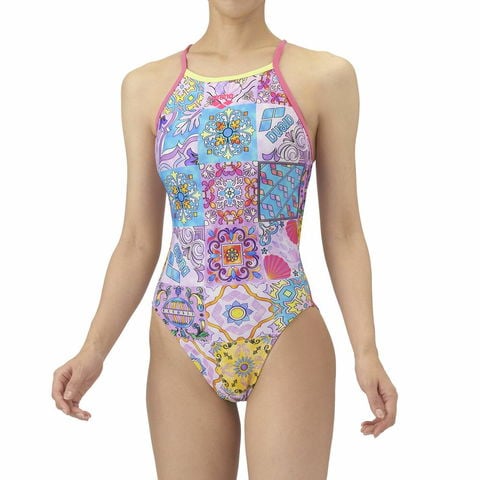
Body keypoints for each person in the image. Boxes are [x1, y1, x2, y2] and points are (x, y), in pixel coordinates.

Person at [51, 1, 398, 478]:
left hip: (282, 323)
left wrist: (367, 350)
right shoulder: (145, 86)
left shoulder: (324, 77)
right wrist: (93, 350)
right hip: (182, 328)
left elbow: (343, 230)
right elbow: (136, 240)